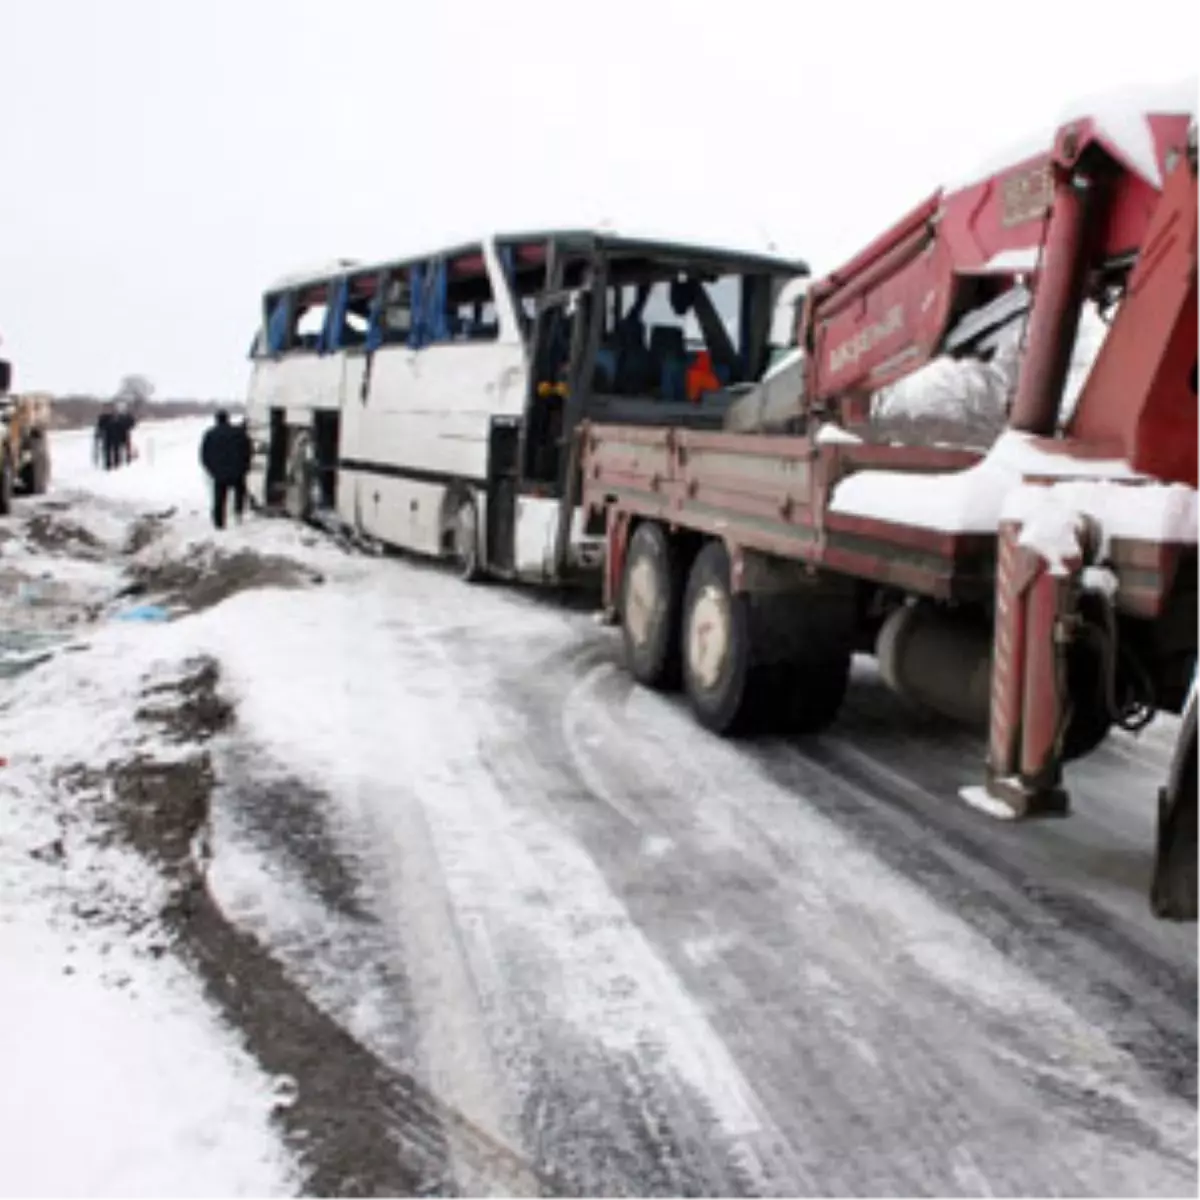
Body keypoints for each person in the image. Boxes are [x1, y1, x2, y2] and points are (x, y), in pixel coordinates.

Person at [199, 410, 249, 529]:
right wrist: (244, 467)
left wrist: (212, 470)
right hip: (237, 471)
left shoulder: (210, 434)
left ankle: (219, 522)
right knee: (240, 492)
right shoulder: (238, 433)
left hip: (219, 473)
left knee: (219, 498)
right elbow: (247, 450)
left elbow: (204, 455)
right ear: (228, 418)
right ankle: (238, 513)